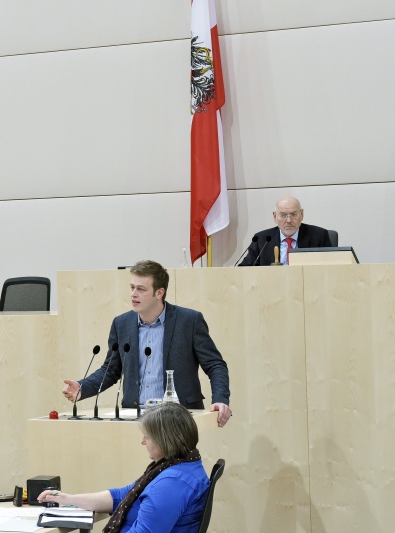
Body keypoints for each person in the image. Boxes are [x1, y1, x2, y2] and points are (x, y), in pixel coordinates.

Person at [61, 260, 232, 427]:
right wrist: (83, 387)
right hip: (134, 418)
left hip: (179, 418)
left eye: (141, 289)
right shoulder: (121, 324)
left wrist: (220, 399)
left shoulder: (189, 321)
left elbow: (215, 364)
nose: (133, 294)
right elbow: (111, 369)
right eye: (132, 287)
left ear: (159, 293)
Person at [38, 402, 210, 533]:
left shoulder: (171, 484)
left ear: (164, 440)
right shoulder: (182, 465)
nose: (142, 441)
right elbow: (121, 495)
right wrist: (67, 499)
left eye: (147, 437)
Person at [238, 195, 332, 266]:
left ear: (302, 214)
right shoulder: (261, 240)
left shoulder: (319, 236)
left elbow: (331, 269)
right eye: (283, 215)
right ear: (275, 216)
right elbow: (244, 271)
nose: (289, 220)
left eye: (294, 215)